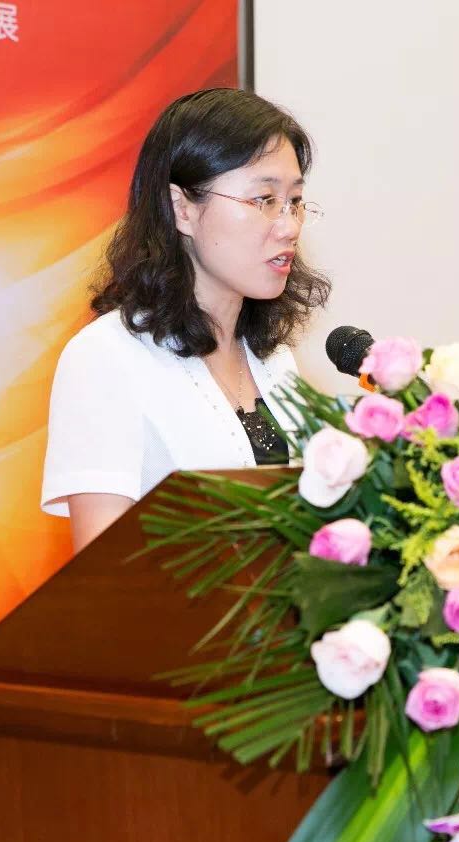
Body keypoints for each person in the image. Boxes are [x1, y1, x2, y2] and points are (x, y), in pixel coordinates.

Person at [41, 88, 331, 551]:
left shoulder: (274, 359)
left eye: (294, 201)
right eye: (264, 199)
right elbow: (102, 572)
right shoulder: (106, 358)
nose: (289, 225)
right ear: (181, 209)